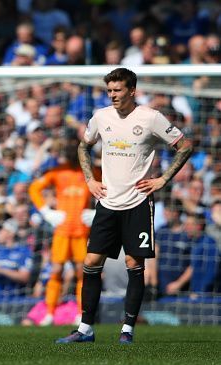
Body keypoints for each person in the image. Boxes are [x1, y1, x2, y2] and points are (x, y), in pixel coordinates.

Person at [57, 68, 193, 344]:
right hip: (107, 203)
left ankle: (127, 330)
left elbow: (185, 145)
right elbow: (84, 147)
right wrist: (89, 180)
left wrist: (163, 179)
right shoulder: (101, 117)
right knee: (92, 261)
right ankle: (85, 329)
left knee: (134, 262)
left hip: (138, 203)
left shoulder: (151, 118)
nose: (113, 95)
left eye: (117, 90)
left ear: (132, 90)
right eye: (109, 91)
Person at [28, 135, 94, 326]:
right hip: (63, 230)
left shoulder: (91, 172)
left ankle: (82, 314)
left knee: (83, 272)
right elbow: (34, 188)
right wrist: (46, 212)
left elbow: (109, 189)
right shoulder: (57, 172)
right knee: (56, 270)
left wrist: (99, 211)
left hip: (81, 229)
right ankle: (49, 312)